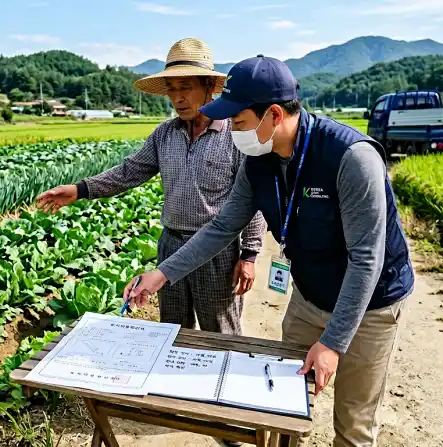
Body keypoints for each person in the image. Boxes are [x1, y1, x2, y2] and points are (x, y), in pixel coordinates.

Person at [124, 55, 415, 447]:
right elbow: (223, 227)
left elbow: (367, 259)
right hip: (309, 295)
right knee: (281, 406)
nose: (233, 131)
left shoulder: (351, 158)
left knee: (353, 424)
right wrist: (161, 274)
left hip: (370, 307)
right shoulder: (257, 160)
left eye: (239, 122)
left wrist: (332, 343)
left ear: (273, 114)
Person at [36, 38, 266, 336]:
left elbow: (253, 200)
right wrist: (80, 189)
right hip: (170, 246)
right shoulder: (165, 134)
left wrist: (248, 255)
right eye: (172, 89)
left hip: (216, 253)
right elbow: (130, 172)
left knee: (220, 334)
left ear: (209, 85)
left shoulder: (235, 136)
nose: (178, 98)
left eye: (186, 87)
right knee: (171, 333)